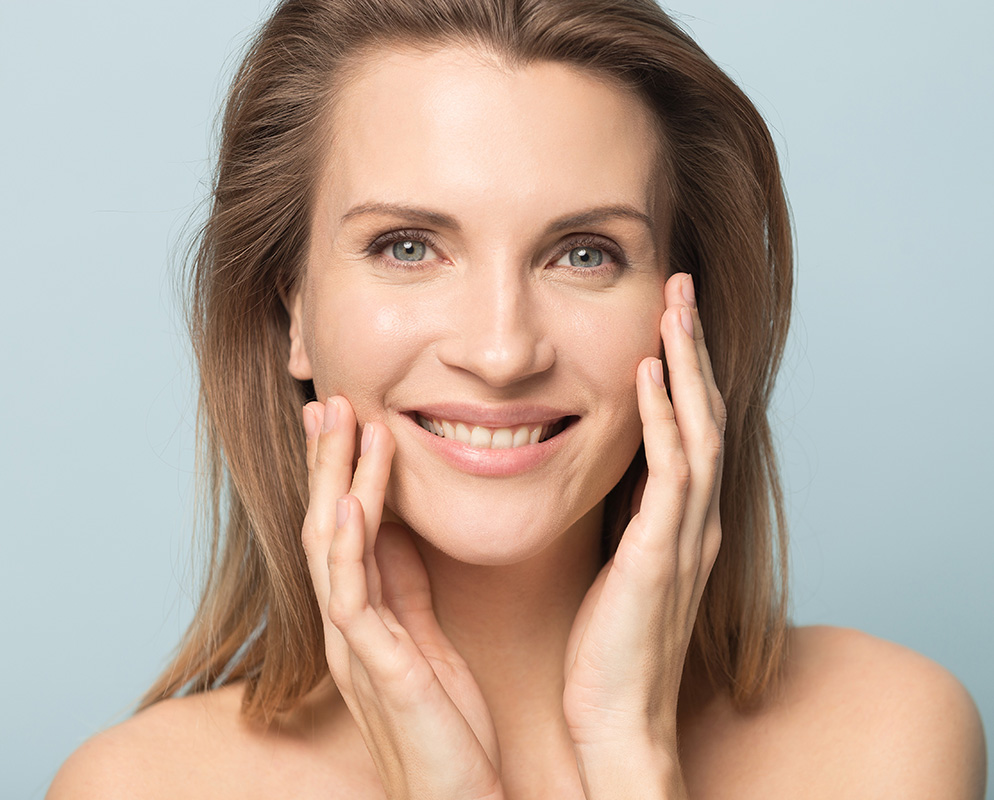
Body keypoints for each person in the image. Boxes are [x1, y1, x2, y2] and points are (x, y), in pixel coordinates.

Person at [48, 0, 985, 797]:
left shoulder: (884, 741)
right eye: (407, 247)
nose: (501, 353)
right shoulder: (138, 788)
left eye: (584, 254)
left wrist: (631, 755)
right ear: (291, 308)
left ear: (684, 310)